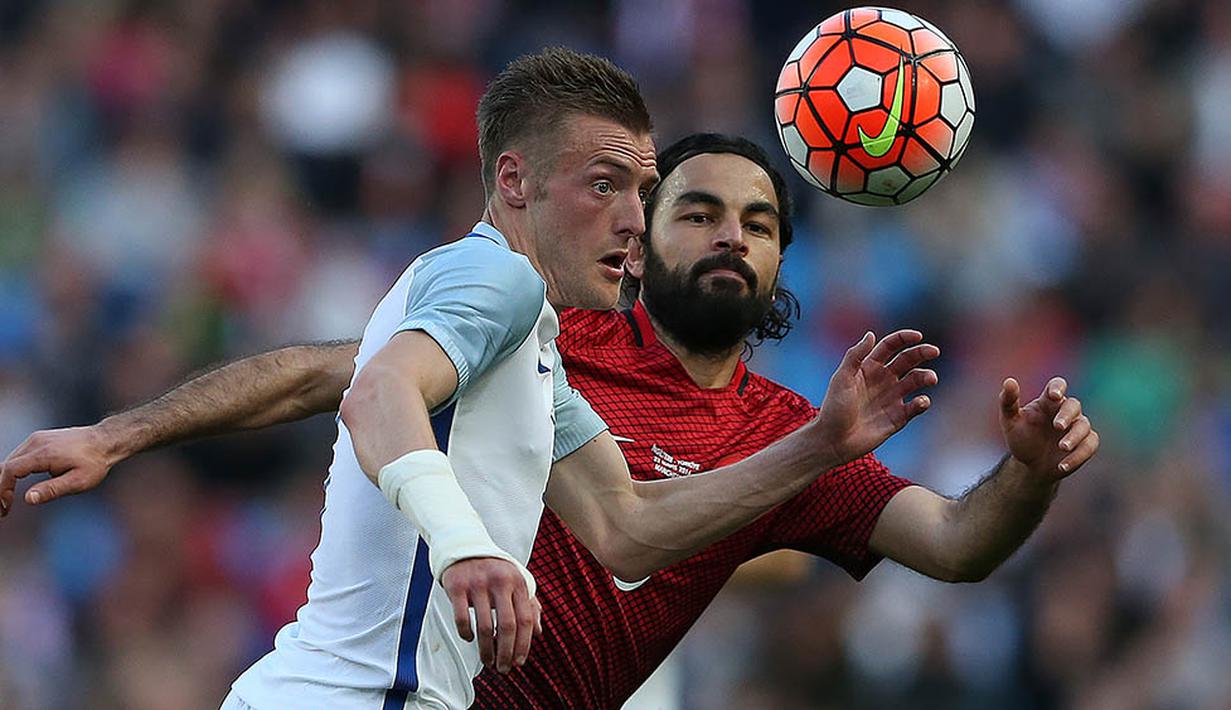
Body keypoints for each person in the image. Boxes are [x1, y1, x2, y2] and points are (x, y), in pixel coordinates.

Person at [0, 132, 1099, 708]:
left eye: (757, 223)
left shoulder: (795, 433)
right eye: (698, 211)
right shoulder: (545, 333)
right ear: (640, 233)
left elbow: (957, 544)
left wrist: (1033, 472)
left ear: (778, 265)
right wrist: (123, 431)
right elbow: (326, 372)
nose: (730, 235)